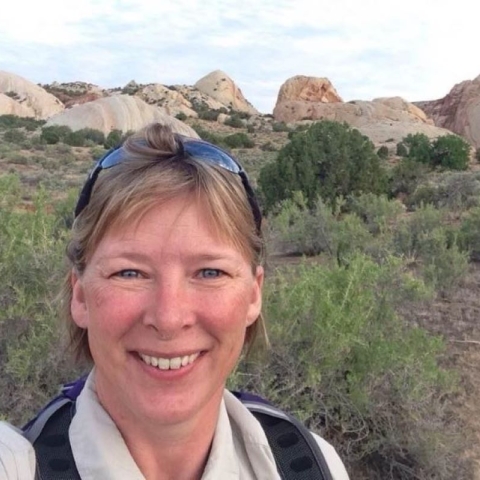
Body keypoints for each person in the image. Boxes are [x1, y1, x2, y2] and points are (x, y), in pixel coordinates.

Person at [0, 122, 350, 479]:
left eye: (210, 273)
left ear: (254, 294)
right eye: (130, 273)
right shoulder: (17, 467)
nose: (168, 318)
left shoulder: (312, 464)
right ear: (80, 295)